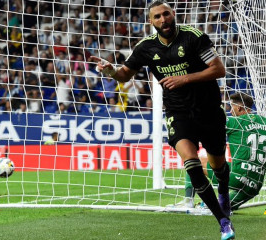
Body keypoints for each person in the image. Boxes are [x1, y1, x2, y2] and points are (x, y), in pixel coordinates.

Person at [90, 1, 234, 239]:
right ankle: (223, 221)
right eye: (157, 16)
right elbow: (124, 74)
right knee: (191, 162)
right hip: (178, 113)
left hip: (209, 111)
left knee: (218, 165)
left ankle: (224, 193)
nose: (163, 19)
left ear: (173, 14)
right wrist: (110, 71)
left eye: (166, 13)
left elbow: (219, 70)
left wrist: (183, 78)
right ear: (151, 21)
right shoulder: (145, 47)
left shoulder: (194, 37)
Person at [176, 92, 266, 211]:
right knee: (222, 207)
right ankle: (210, 207)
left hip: (235, 177)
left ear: (239, 108)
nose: (230, 111)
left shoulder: (235, 122)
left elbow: (208, 128)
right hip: (255, 185)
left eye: (232, 107)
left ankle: (188, 202)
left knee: (193, 161)